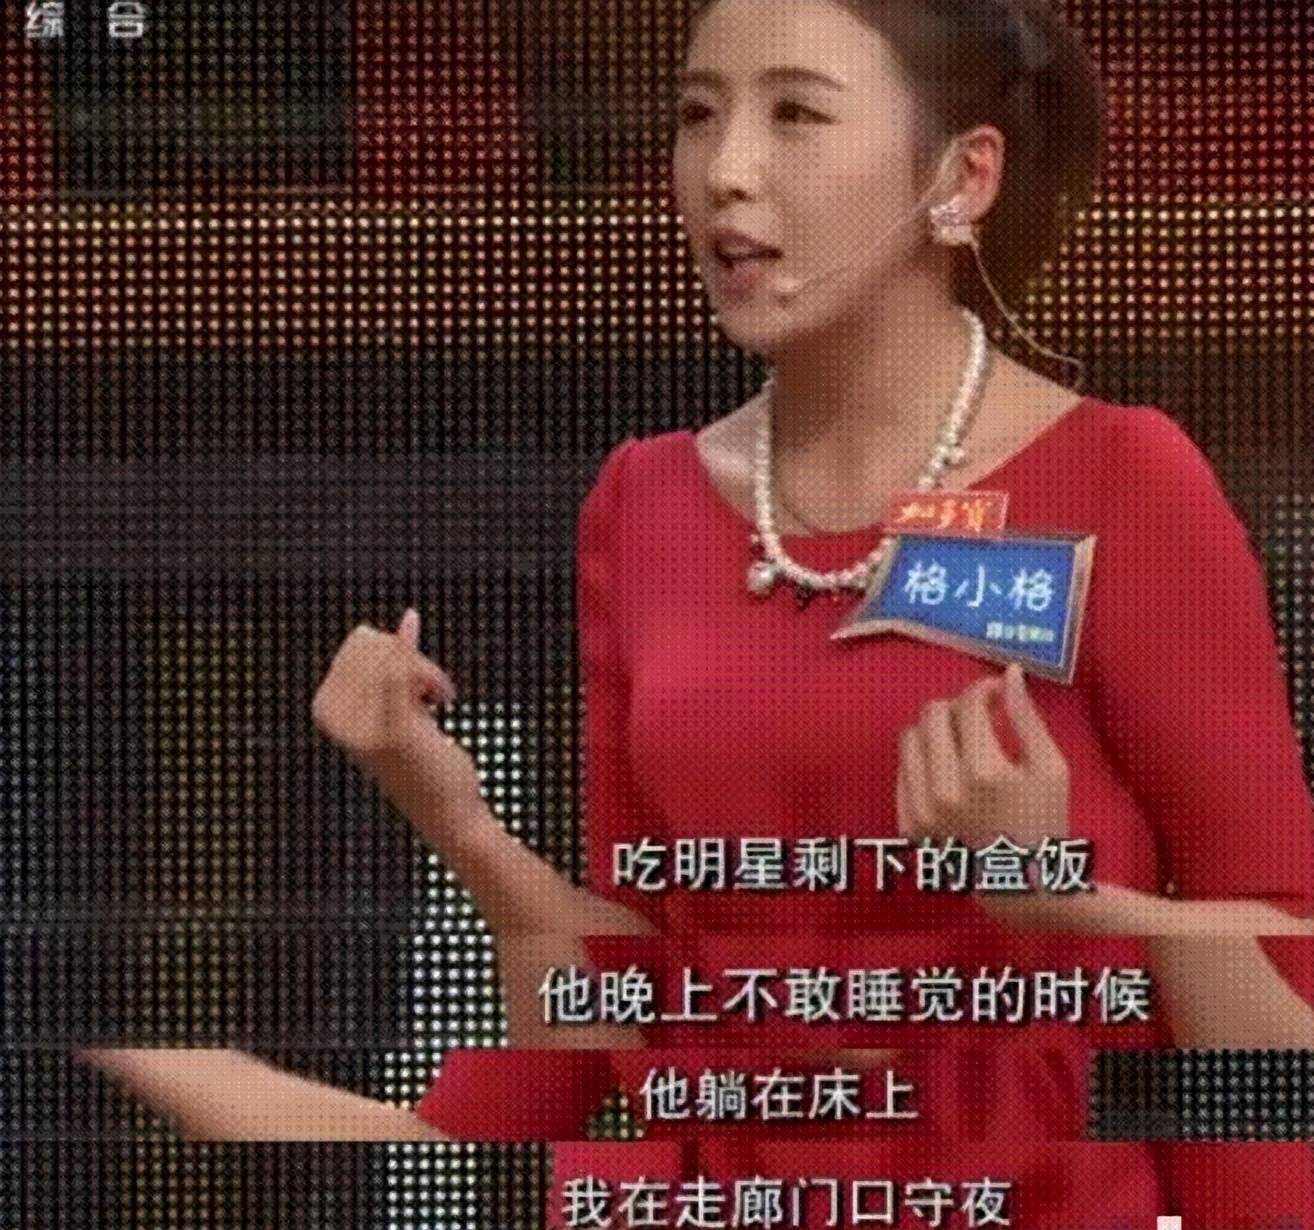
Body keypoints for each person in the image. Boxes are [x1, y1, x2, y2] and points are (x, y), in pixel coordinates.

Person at [77, 0, 1314, 1222]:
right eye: (698, 116)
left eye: (795, 116)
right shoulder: (646, 501)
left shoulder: (1124, 482)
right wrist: (460, 824)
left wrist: (1067, 896)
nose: (725, 172)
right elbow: (631, 977)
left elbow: (1280, 1014)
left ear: (961, 177)